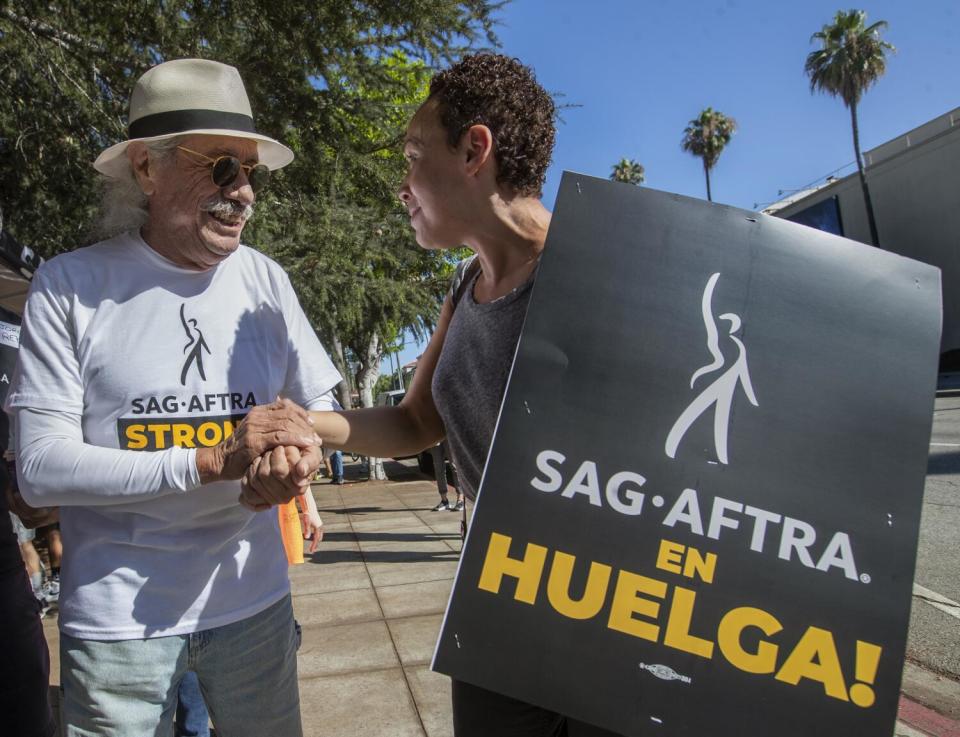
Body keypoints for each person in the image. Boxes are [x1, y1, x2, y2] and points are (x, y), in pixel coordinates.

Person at [240, 53, 620, 737]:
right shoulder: (462, 289)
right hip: (499, 595)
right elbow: (417, 420)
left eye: (414, 157)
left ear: (475, 150)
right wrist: (306, 422)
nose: (401, 186)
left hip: (616, 612)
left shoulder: (604, 270)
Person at [8, 58, 341, 736]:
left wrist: (297, 457)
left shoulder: (266, 281)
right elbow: (39, 467)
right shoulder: (69, 286)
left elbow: (322, 416)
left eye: (250, 172)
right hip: (118, 631)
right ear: (147, 169)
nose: (243, 192)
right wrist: (209, 460)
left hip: (255, 607)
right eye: (221, 167)